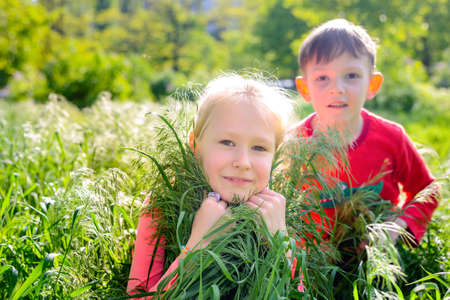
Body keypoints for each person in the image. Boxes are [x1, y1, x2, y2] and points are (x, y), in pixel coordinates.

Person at [127, 74, 292, 296]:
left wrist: (279, 244)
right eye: (227, 142)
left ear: (275, 154)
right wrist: (197, 245)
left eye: (259, 148)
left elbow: (295, 293)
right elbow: (137, 296)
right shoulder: (163, 204)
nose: (243, 162)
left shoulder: (278, 209)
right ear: (195, 145)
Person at [290, 18, 439, 247]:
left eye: (351, 75)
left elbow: (428, 190)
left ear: (372, 84)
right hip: (312, 268)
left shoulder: (391, 138)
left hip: (375, 264)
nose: (337, 88)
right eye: (322, 78)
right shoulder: (294, 144)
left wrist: (398, 227)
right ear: (304, 88)